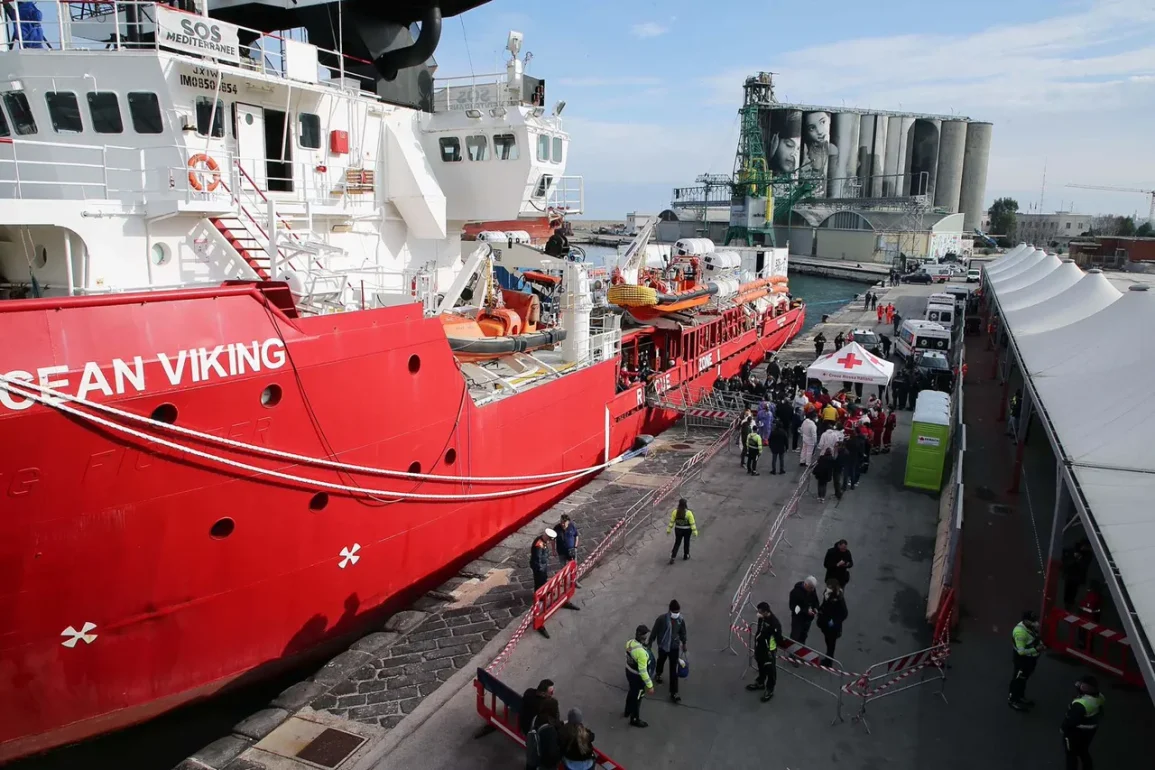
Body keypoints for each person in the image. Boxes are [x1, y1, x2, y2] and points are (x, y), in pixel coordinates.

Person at [647, 600, 688, 703]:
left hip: (674, 647)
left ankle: (674, 693)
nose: (676, 614)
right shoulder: (661, 619)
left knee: (673, 670)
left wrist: (684, 643)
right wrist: (650, 642)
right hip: (663, 646)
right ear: (670, 611)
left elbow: (683, 632)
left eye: (678, 612)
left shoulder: (680, 620)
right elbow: (655, 631)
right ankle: (658, 673)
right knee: (661, 660)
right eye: (675, 612)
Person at [1062, 676, 1105, 770]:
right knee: (1083, 751)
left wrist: (1063, 729)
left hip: (1075, 733)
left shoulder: (1080, 704)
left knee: (1071, 754)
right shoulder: (1100, 697)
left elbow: (1070, 721)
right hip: (1090, 732)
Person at [745, 601, 783, 702]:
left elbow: (778, 638)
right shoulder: (762, 618)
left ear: (766, 612)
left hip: (768, 650)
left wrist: (771, 649)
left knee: (770, 669)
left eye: (760, 612)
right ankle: (760, 682)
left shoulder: (774, 623)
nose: (758, 613)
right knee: (760, 665)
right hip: (760, 647)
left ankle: (770, 689)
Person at [1009, 610, 1044, 711]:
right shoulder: (1020, 633)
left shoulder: (1030, 627)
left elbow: (1035, 637)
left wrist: (1040, 643)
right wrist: (1036, 649)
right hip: (1022, 660)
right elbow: (1021, 651)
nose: (1036, 622)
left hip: (1030, 660)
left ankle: (1020, 696)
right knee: (1018, 679)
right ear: (1026, 621)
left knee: (1023, 679)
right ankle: (1013, 699)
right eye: (1033, 620)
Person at [624, 624, 655, 727]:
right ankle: (634, 719)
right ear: (642, 636)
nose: (646, 636)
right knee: (637, 697)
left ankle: (627, 711)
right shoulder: (641, 653)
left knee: (631, 691)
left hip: (628, 671)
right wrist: (650, 685)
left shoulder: (629, 643)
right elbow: (643, 671)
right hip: (637, 677)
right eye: (645, 634)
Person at [526, 696, 563, 769]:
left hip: (533, 760)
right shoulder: (549, 729)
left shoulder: (536, 718)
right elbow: (553, 754)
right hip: (545, 765)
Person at [816, 583, 848, 667]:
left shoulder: (839, 599)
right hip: (825, 623)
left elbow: (844, 613)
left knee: (831, 643)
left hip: (832, 627)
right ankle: (828, 656)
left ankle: (829, 660)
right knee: (827, 641)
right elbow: (824, 604)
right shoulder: (827, 594)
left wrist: (834, 622)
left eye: (829, 588)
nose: (827, 589)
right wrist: (819, 610)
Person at [788, 576, 820, 645]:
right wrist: (805, 611)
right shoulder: (795, 593)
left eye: (813, 588)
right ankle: (792, 652)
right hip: (798, 619)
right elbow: (792, 607)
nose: (812, 590)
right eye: (810, 588)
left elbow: (815, 601)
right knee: (795, 636)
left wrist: (816, 608)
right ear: (805, 584)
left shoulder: (812, 590)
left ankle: (801, 650)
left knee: (803, 636)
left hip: (808, 619)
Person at [666, 498, 698, 564]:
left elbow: (672, 522)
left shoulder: (675, 512)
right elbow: (692, 523)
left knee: (677, 543)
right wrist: (695, 531)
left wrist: (669, 529)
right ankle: (686, 555)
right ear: (686, 504)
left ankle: (673, 557)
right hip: (687, 530)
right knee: (686, 542)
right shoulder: (688, 513)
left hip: (678, 529)